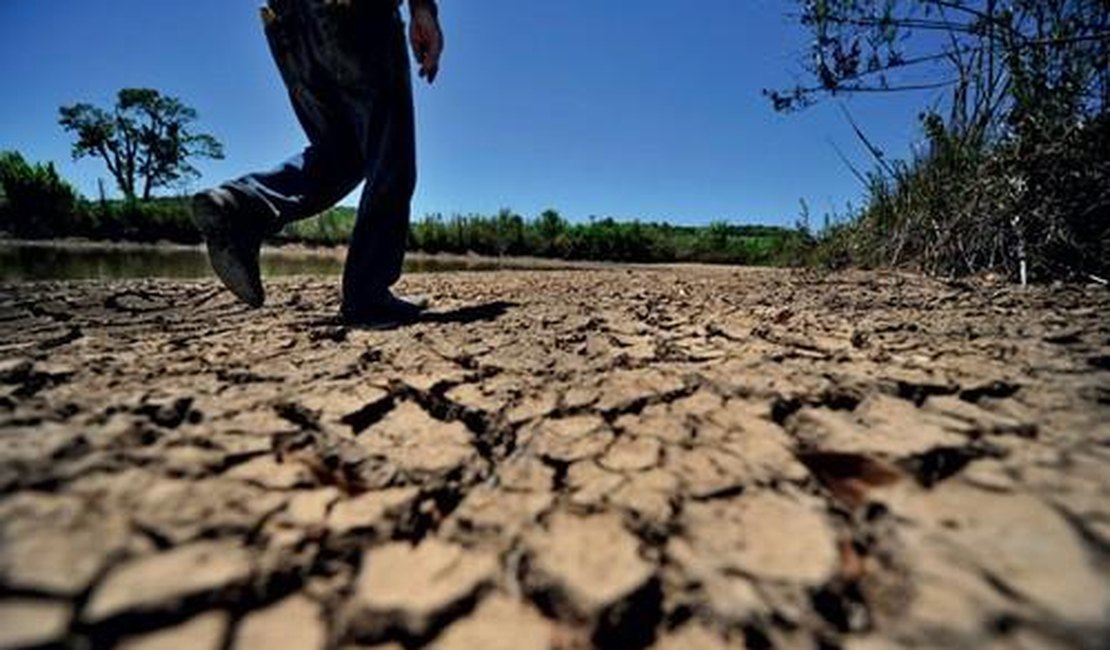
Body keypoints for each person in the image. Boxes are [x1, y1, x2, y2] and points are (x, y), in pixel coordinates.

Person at [193, 0, 443, 327]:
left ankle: (241, 206)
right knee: (389, 157)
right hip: (356, 15)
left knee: (343, 154)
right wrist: (423, 9)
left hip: (288, 23)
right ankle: (367, 294)